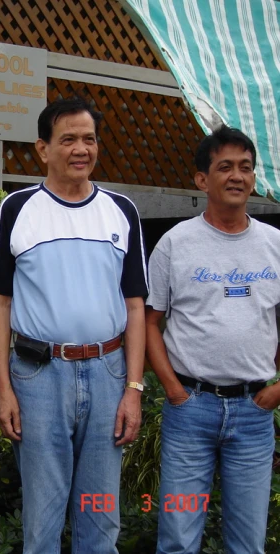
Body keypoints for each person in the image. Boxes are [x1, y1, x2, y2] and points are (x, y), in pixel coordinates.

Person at [0, 96, 148, 553]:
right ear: (43, 149)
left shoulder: (121, 210)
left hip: (109, 374)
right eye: (69, 139)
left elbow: (135, 305)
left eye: (89, 139)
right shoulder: (18, 209)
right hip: (38, 376)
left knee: (100, 515)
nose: (82, 149)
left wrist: (134, 389)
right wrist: (4, 389)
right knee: (43, 518)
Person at [146, 125, 280, 553]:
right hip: (192, 410)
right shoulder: (175, 244)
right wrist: (172, 389)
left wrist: (279, 390)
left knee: (247, 542)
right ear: (202, 179)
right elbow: (150, 321)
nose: (237, 176)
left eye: (245, 167)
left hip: (255, 412)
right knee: (179, 540)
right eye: (225, 167)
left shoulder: (275, 244)